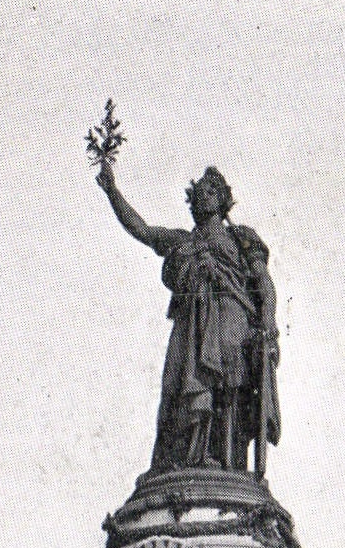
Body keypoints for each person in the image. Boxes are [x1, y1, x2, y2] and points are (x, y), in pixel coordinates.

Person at [97, 162, 280, 474]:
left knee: (228, 390)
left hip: (231, 321)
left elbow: (263, 282)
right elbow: (142, 230)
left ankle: (227, 463)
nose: (201, 198)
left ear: (223, 199)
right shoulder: (182, 241)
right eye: (197, 193)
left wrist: (270, 324)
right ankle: (186, 458)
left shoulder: (241, 237)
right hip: (191, 326)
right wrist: (112, 191)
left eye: (210, 191)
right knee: (181, 386)